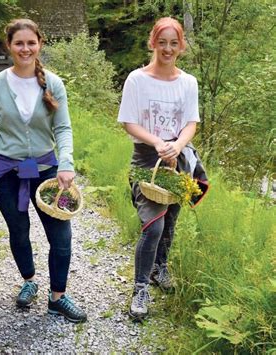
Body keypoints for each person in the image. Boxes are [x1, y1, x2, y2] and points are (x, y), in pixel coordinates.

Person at [0, 19, 87, 323]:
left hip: (45, 168)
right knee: (19, 230)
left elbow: (63, 128)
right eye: (18, 43)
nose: (25, 49)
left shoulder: (53, 84)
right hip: (6, 170)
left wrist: (65, 164)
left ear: (39, 44)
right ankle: (29, 280)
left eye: (31, 43)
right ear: (9, 46)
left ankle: (58, 298)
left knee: (61, 235)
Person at [117, 17, 208, 320]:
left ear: (181, 46)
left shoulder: (188, 82)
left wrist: (178, 147)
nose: (167, 49)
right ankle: (140, 287)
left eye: (173, 43)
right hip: (146, 158)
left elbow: (191, 123)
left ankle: (160, 268)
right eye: (162, 42)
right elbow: (129, 122)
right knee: (152, 224)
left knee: (170, 220)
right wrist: (158, 142)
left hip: (177, 158)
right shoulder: (137, 80)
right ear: (152, 43)